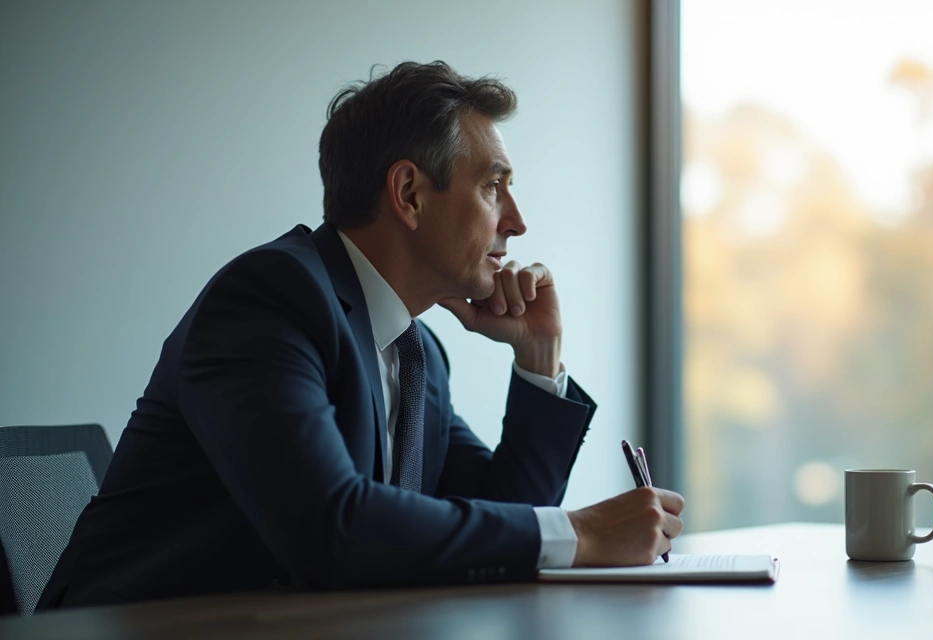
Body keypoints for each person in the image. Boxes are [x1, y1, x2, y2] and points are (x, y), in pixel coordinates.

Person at [37, 60, 684, 609]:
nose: (517, 222)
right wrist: (580, 534)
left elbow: (501, 510)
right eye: (492, 187)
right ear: (408, 193)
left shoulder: (416, 349)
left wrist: (539, 359)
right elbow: (330, 529)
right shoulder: (269, 300)